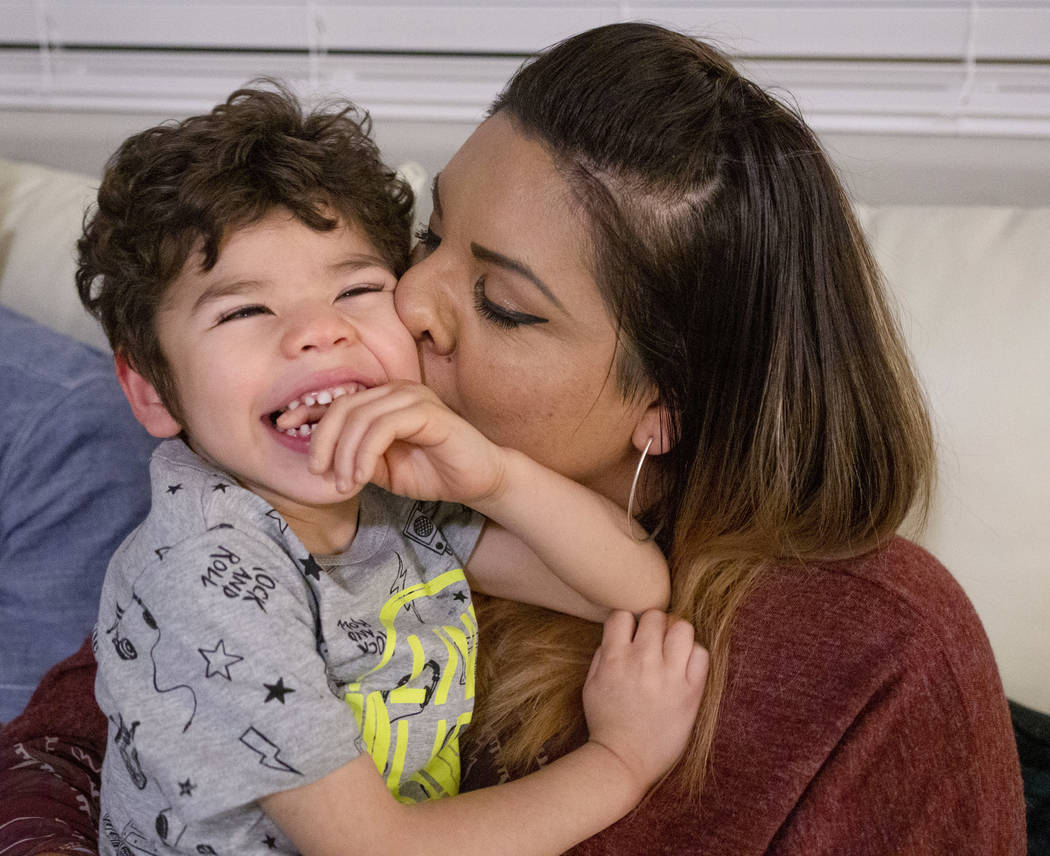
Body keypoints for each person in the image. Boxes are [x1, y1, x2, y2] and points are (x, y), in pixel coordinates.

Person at [0, 20, 1026, 856]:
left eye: (501, 303)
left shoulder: (875, 655)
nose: (410, 299)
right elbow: (63, 748)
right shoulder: (296, 497)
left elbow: (634, 587)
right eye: (431, 237)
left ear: (664, 404)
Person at [72, 83, 706, 856]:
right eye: (243, 310)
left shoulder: (389, 492)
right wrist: (621, 762)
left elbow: (633, 586)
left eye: (358, 288)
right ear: (150, 389)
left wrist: (494, 476)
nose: (318, 333)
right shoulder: (208, 573)